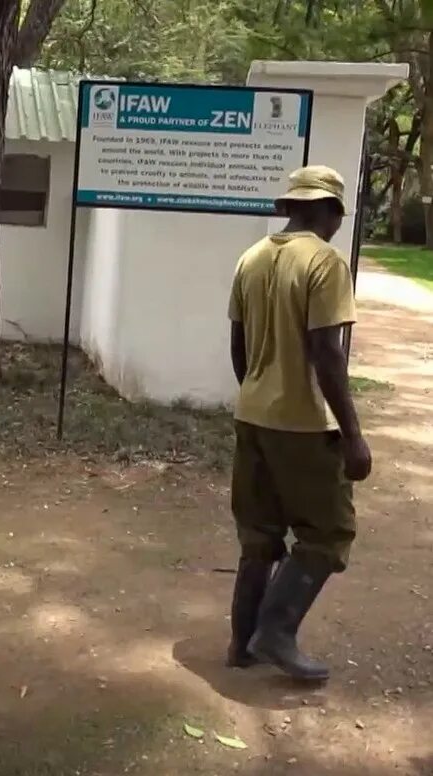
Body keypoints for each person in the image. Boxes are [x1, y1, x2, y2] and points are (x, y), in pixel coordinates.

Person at [225, 165, 373, 682]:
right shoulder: (325, 263)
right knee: (329, 533)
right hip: (304, 425)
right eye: (336, 215)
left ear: (290, 206)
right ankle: (276, 632)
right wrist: (353, 437)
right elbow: (326, 354)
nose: (336, 226)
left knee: (259, 533)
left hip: (252, 414)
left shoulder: (251, 259)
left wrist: (258, 392)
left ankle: (241, 642)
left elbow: (238, 348)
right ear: (326, 211)